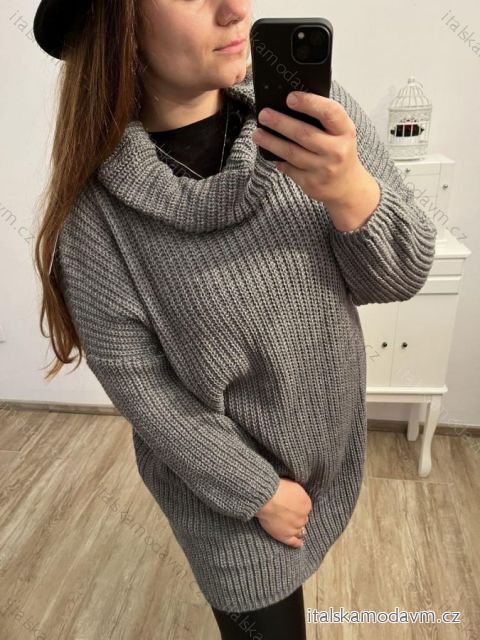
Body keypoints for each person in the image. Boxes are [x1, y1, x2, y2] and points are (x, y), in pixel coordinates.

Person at [32, 1, 437, 639]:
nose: (236, 9)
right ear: (121, 25)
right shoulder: (99, 221)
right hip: (223, 498)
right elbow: (148, 397)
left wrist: (349, 189)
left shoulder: (314, 120)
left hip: (331, 457)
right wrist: (259, 493)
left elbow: (400, 276)